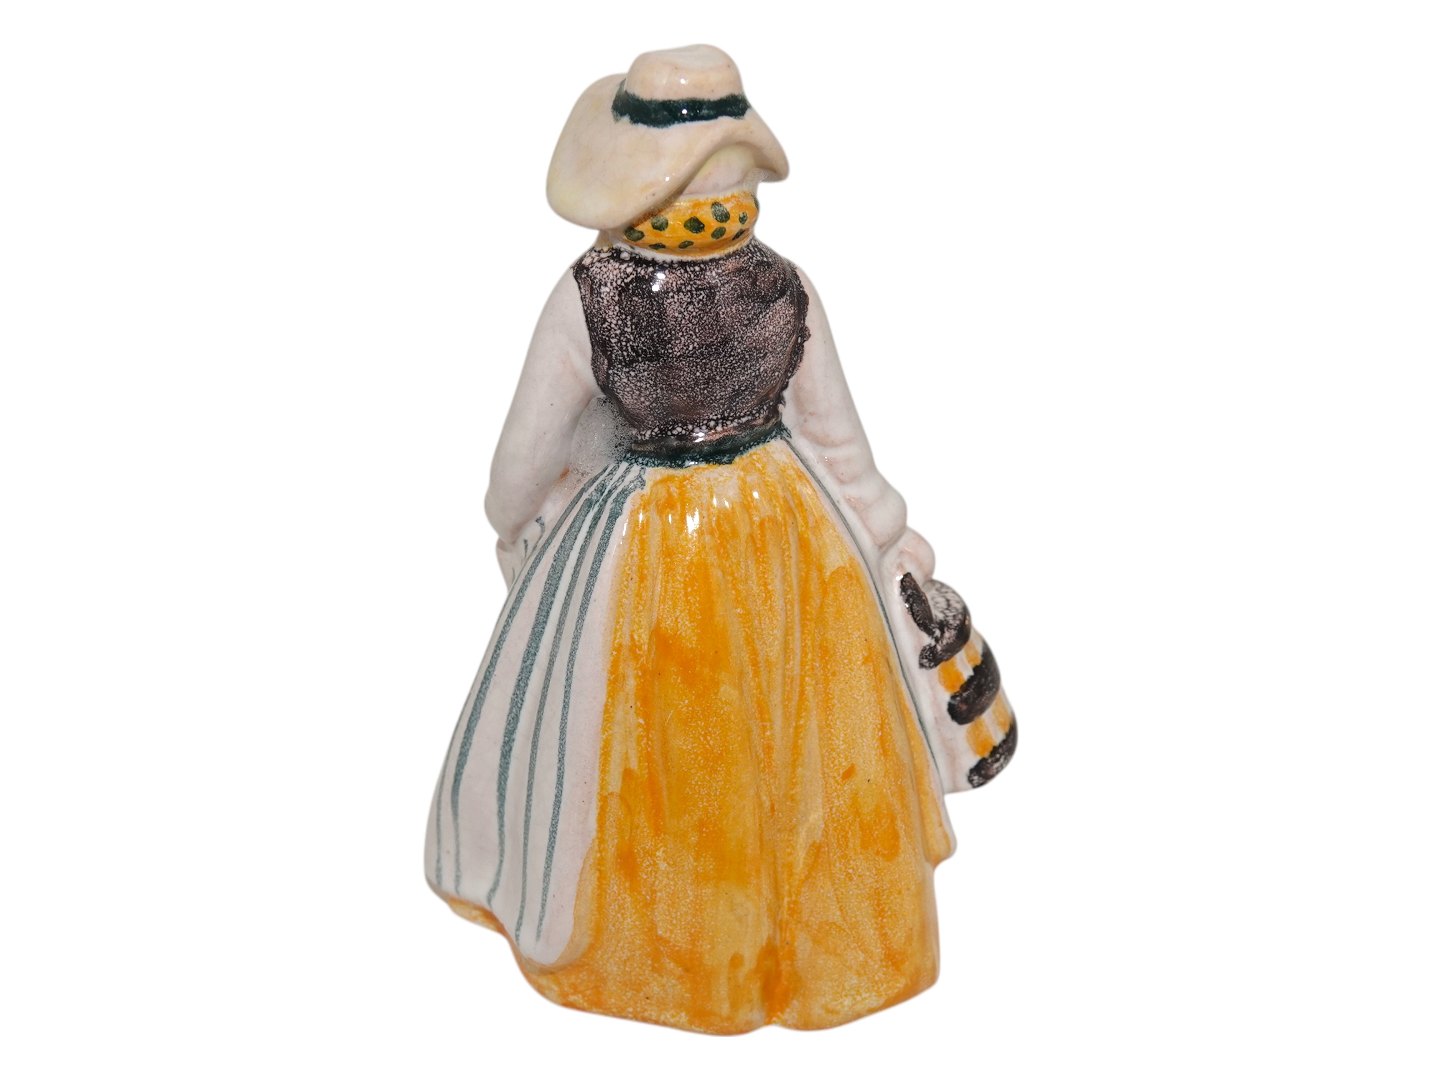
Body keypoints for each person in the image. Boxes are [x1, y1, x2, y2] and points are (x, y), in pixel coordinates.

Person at [425, 44, 1016, 1034]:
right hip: (789, 539)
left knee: (656, 759)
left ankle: (688, 962)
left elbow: (523, 460)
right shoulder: (780, 285)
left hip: (645, 546)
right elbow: (838, 444)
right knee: (788, 746)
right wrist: (885, 534)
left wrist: (513, 524)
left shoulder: (593, 292)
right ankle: (795, 954)